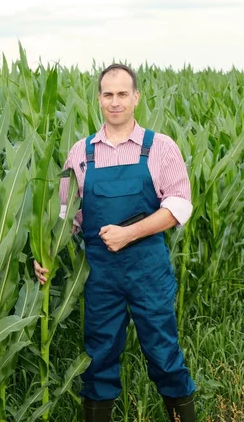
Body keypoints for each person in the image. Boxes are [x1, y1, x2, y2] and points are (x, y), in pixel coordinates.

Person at [34, 64, 196, 422]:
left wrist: (129, 234)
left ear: (136, 97)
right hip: (99, 275)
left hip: (147, 270)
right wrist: (44, 253)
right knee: (99, 358)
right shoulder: (81, 153)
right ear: (99, 99)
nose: (115, 102)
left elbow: (180, 205)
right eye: (108, 94)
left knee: (163, 353)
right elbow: (65, 218)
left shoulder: (160, 147)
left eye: (123, 94)